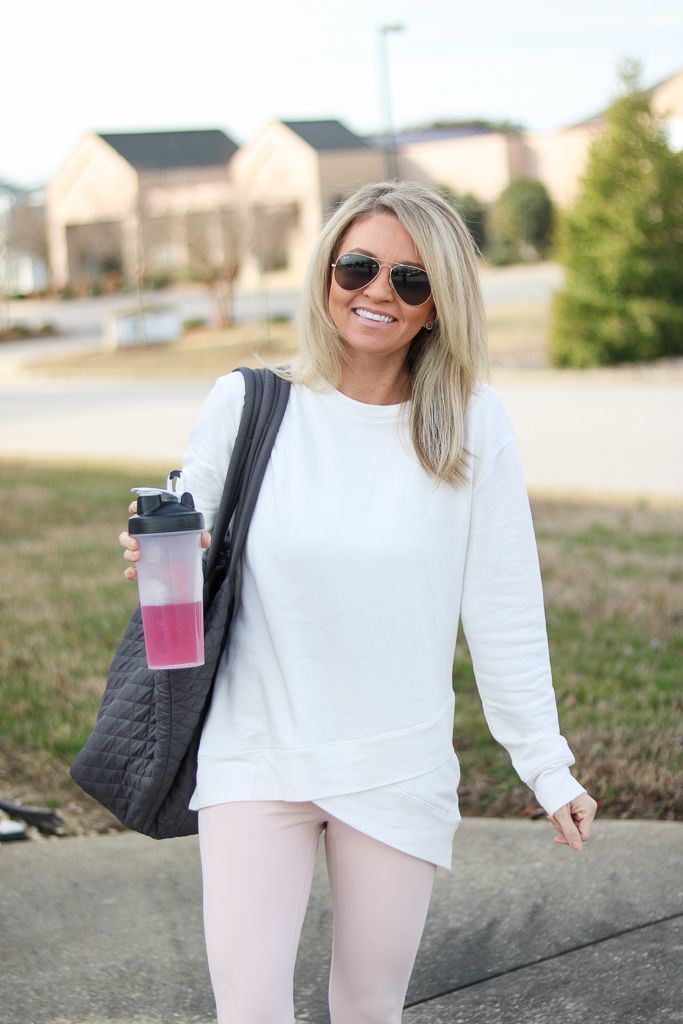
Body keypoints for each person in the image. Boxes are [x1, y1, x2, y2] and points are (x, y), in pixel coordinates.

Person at [119, 180, 597, 1024]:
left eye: (411, 281)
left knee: (370, 1008)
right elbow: (183, 543)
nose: (379, 292)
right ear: (327, 274)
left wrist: (544, 763)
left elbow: (505, 608)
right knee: (250, 1009)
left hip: (394, 761)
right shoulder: (247, 403)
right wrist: (161, 552)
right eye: (360, 266)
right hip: (256, 750)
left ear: (438, 306)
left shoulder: (470, 426)